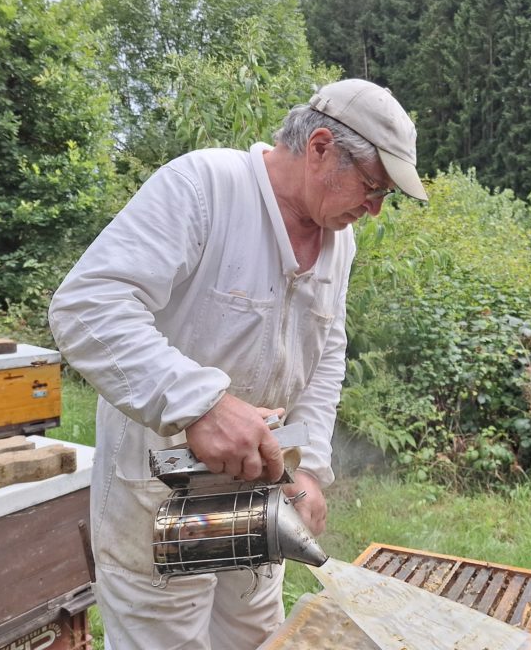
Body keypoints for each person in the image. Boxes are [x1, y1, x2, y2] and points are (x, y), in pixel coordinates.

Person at [48, 79, 427, 650]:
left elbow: (325, 353)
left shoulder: (338, 240)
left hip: (260, 495)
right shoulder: (202, 187)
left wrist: (308, 467)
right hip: (159, 500)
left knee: (256, 638)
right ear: (320, 147)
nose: (373, 208)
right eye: (372, 186)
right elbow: (86, 307)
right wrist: (199, 405)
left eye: (384, 196)